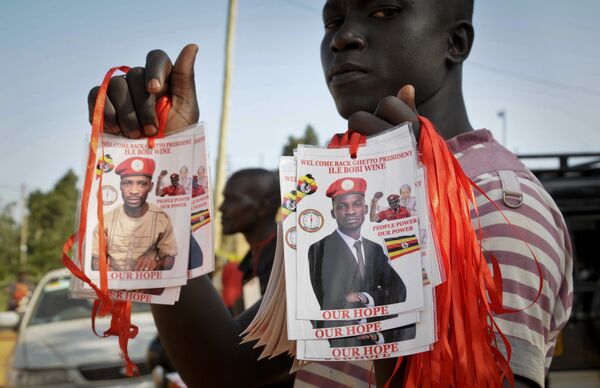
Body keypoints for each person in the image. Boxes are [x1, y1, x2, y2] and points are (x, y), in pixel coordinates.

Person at [88, 0, 572, 386]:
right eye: (332, 19)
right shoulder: (333, 209)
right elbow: (226, 371)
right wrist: (160, 163)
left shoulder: (496, 203)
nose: (342, 37)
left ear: (455, 40)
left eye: (384, 11)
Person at [307, 177, 413, 348]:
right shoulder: (320, 248)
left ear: (364, 209)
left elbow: (399, 291)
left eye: (356, 204)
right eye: (342, 206)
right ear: (333, 213)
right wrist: (378, 297)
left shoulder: (375, 249)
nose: (350, 211)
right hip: (346, 344)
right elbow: (333, 302)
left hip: (377, 338)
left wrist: (364, 297)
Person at [91, 157, 177, 272]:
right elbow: (95, 260)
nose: (134, 191)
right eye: (127, 183)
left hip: (149, 287)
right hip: (113, 287)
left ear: (151, 186)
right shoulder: (106, 220)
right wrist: (105, 271)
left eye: (142, 184)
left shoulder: (161, 218)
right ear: (120, 185)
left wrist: (155, 264)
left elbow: (169, 259)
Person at [220, 169, 280, 297]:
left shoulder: (284, 261)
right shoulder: (253, 256)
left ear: (262, 207)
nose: (221, 208)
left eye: (232, 199)